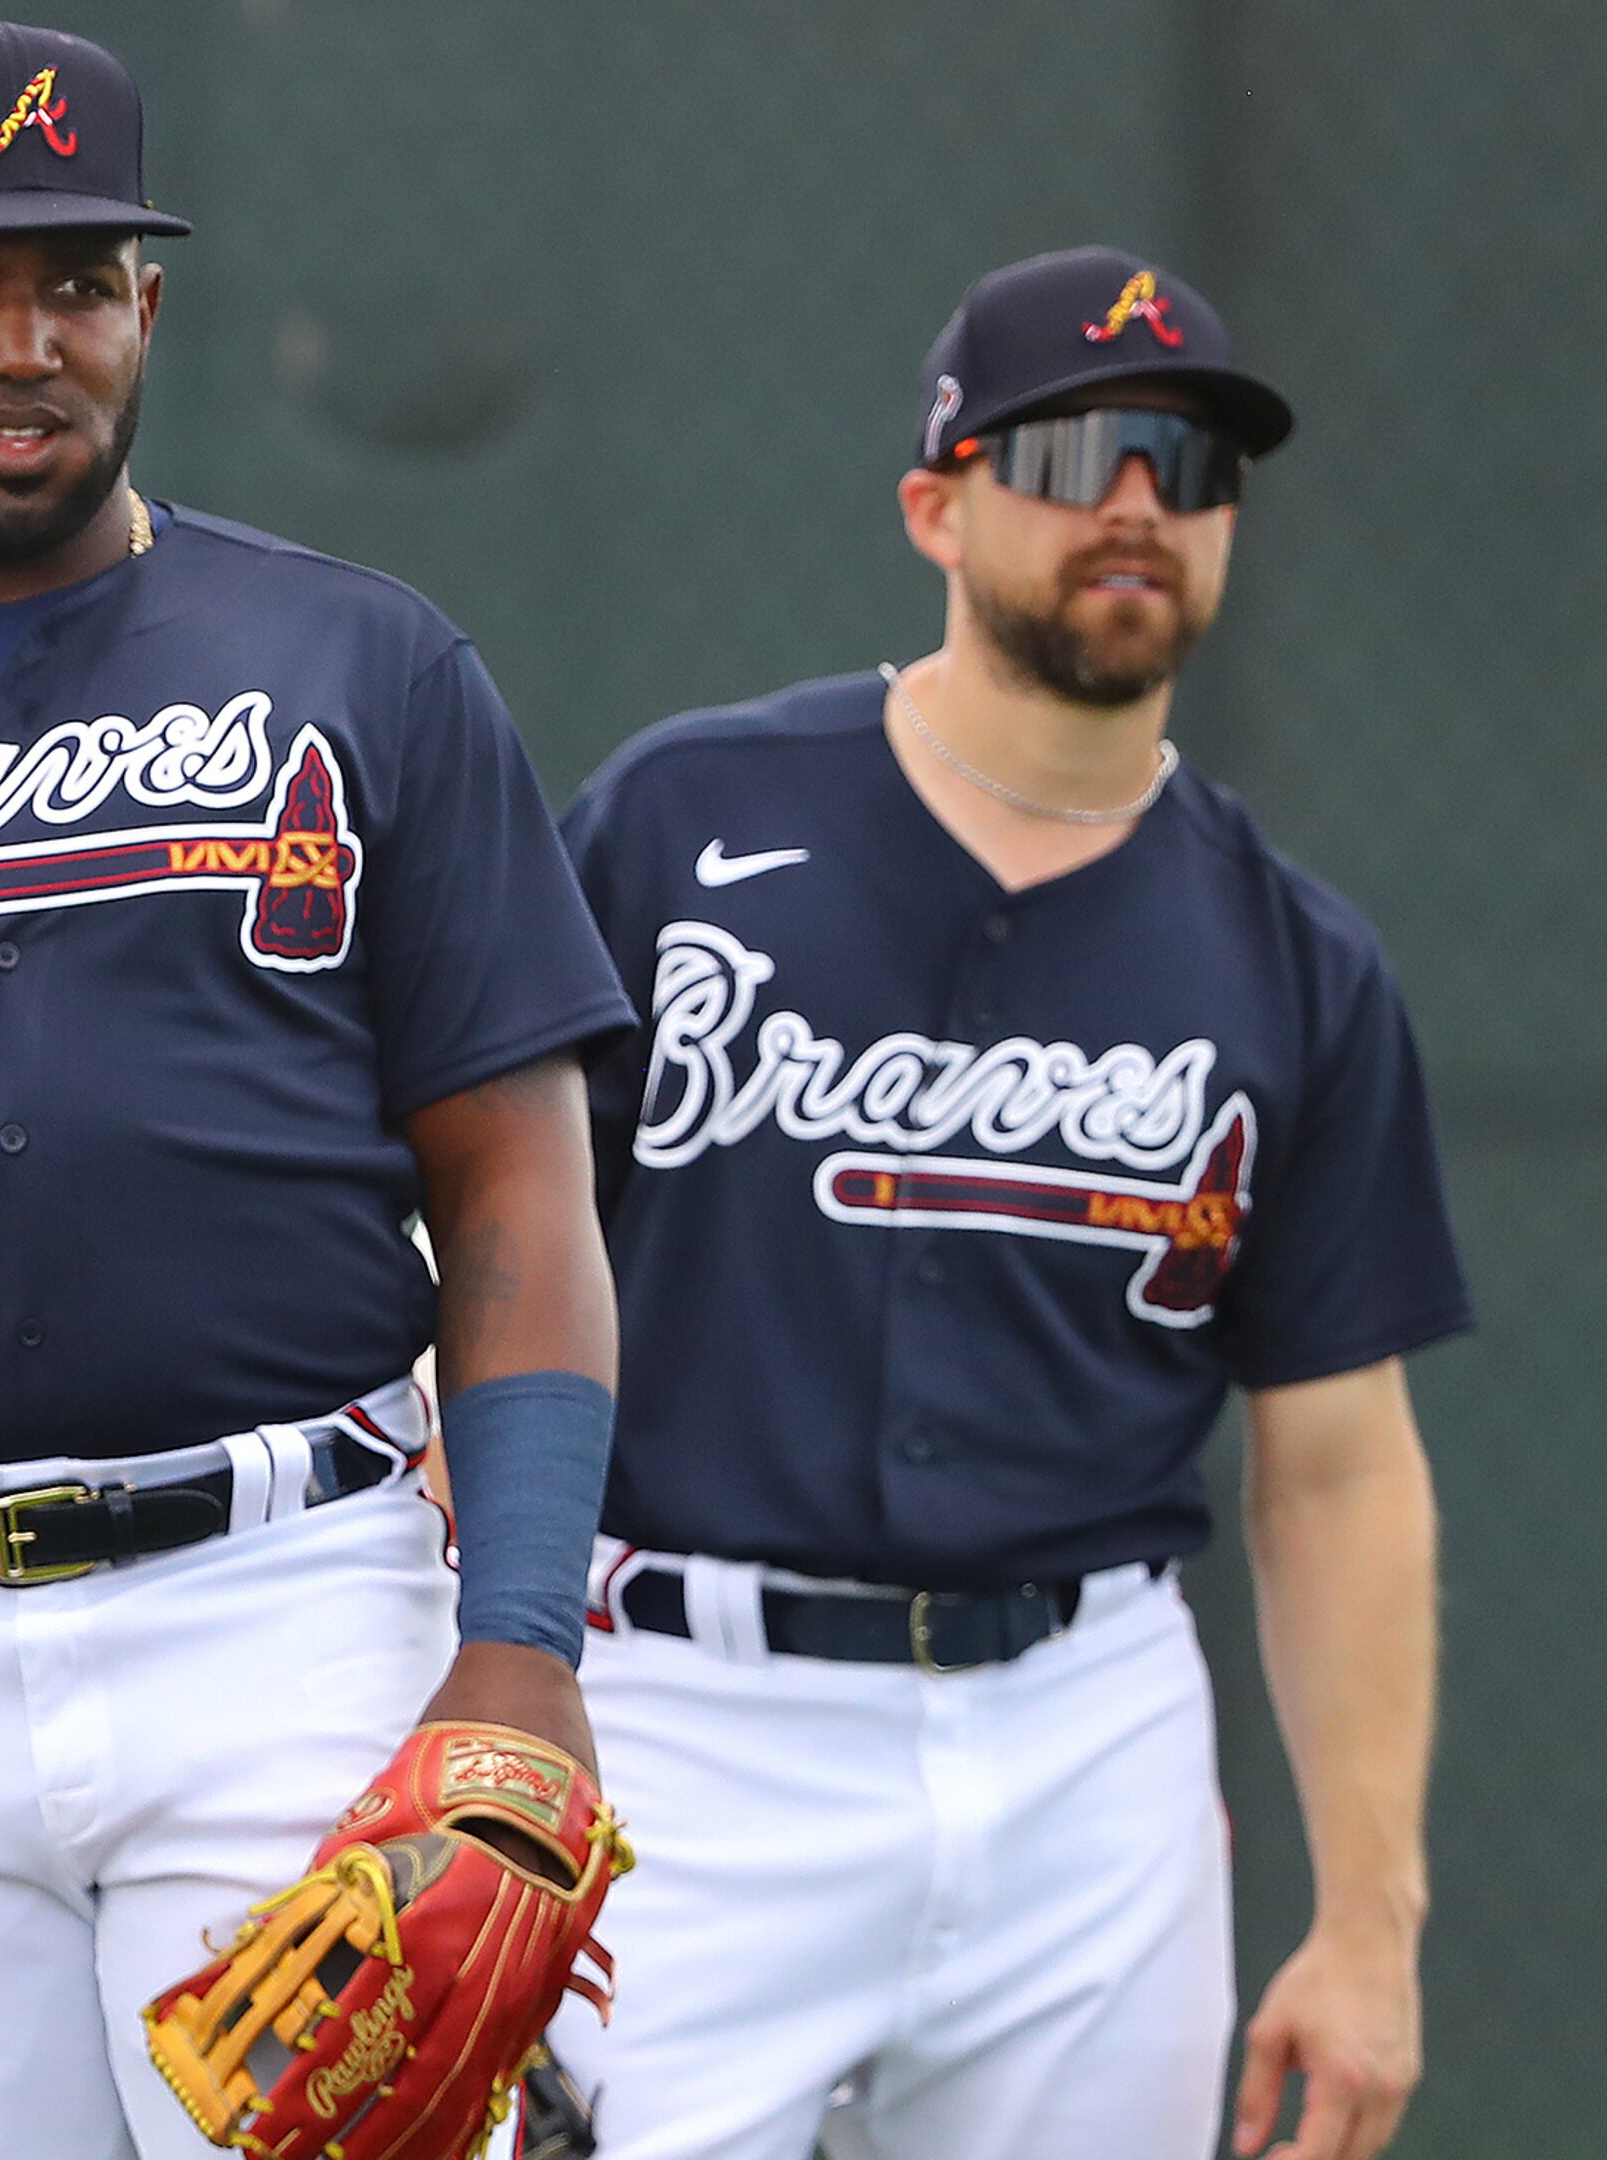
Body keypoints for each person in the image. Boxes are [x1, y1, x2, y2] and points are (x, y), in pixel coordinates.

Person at [0, 25, 636, 2158]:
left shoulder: (367, 665)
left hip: (276, 1607)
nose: (26, 343)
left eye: (78, 282)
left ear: (147, 311)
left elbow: (519, 1201)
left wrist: (525, 1648)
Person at [548, 247, 1462, 2160]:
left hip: (1088, 1744)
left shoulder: (1296, 961)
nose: (1140, 500)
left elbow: (1343, 1465)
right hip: (686, 1724)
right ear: (937, 505)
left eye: (1191, 465)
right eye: (1077, 449)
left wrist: (1371, 1926)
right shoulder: (678, 827)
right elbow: (475, 1272)